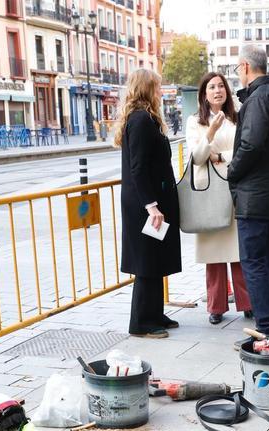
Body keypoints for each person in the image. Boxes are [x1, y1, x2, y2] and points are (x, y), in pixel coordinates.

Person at [226, 44, 269, 340]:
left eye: (237, 69)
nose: (238, 74)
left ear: (245, 66)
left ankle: (267, 328)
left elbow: (251, 144)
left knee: (254, 261)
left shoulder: (257, 99)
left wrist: (232, 171)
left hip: (254, 197)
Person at [115, 69, 181, 339]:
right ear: (146, 89)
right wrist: (151, 206)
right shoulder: (141, 120)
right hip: (145, 205)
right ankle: (141, 322)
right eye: (157, 87)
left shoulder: (145, 118)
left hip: (150, 202)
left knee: (156, 259)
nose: (160, 92)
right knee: (146, 262)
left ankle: (154, 314)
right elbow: (139, 167)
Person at [185, 72, 253, 325]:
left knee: (238, 251)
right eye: (212, 87)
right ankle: (216, 307)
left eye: (221, 86)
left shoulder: (238, 117)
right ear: (204, 94)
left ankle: (248, 304)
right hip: (210, 192)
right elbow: (198, 157)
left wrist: (220, 156)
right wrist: (211, 131)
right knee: (213, 254)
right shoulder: (195, 121)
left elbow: (244, 150)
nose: (217, 91)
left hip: (235, 188)